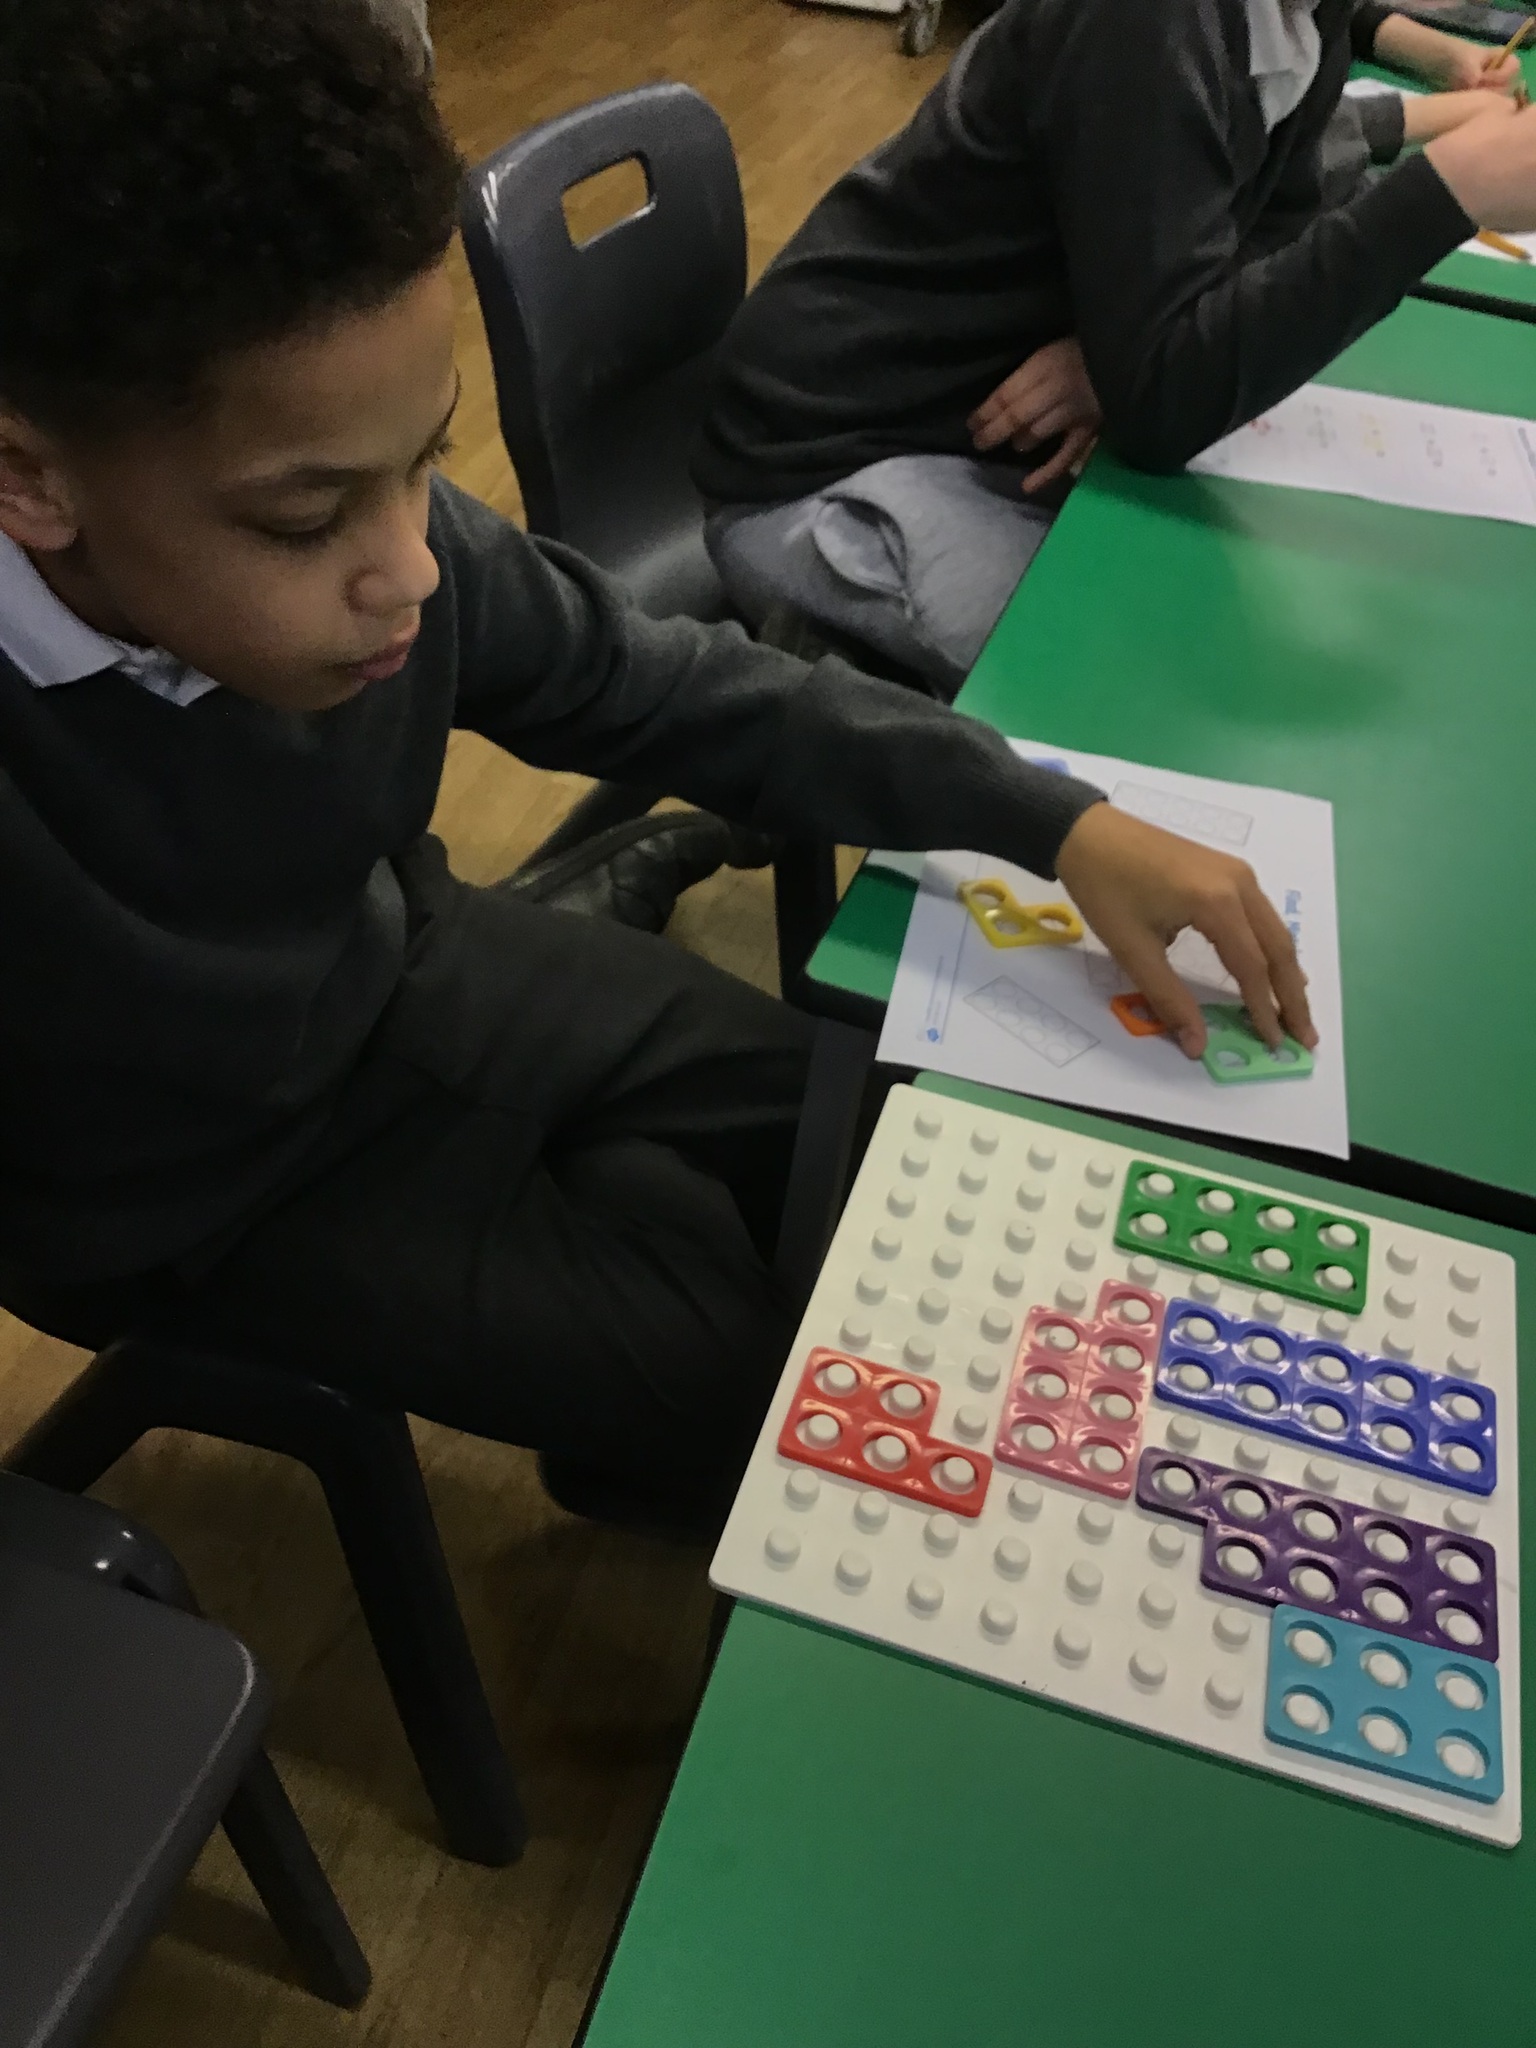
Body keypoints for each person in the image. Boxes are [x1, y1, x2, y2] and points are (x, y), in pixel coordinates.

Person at [0, 0, 1312, 1538]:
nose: (410, 570)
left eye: (426, 464)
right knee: (802, 1389)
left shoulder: (374, 551)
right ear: (30, 478)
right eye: (306, 520)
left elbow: (667, 686)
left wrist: (1055, 819)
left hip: (403, 969)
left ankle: (620, 1368)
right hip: (191, 1193)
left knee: (888, 1155)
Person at [695, 0, 1536, 697]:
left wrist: (1122, 351)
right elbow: (1165, 408)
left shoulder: (1301, 17)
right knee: (1155, 682)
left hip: (976, 431)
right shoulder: (1145, 21)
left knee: (1220, 607)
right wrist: (1447, 194)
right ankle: (819, 714)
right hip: (824, 465)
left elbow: (1266, 223)